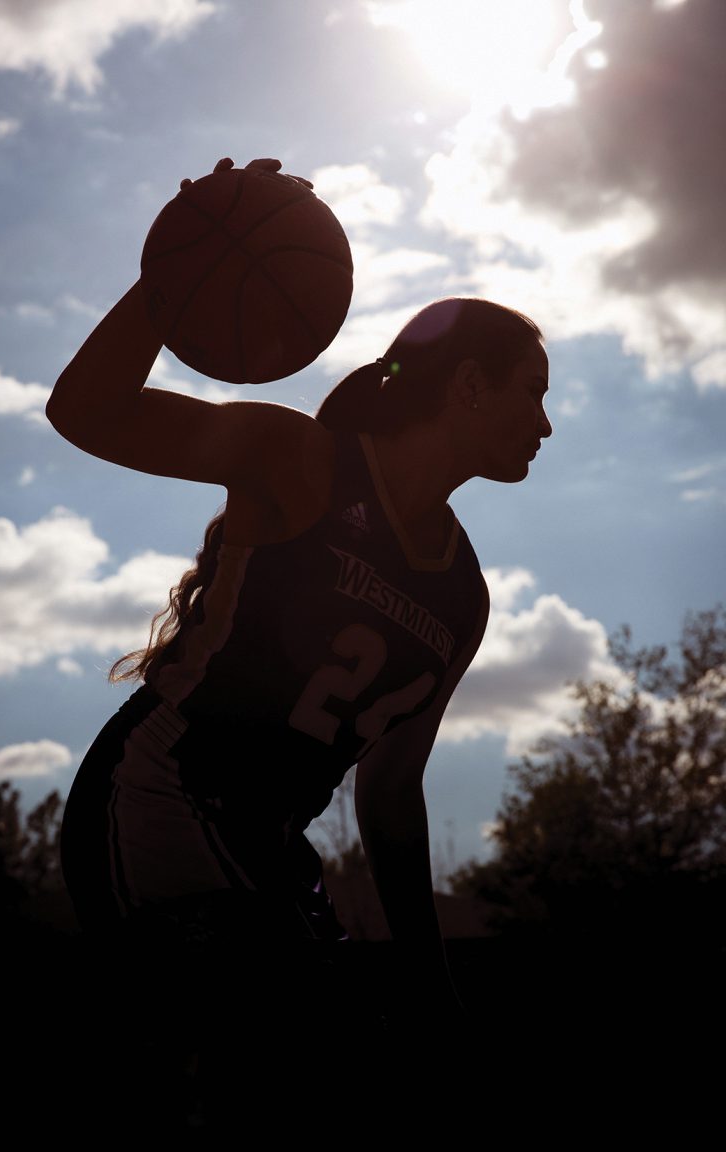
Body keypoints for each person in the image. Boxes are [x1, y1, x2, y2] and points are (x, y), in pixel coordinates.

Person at [47, 157, 551, 1126]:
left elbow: (392, 791)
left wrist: (429, 981)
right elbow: (84, 412)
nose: (547, 422)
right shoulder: (300, 460)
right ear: (470, 387)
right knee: (278, 1066)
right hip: (159, 794)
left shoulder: (462, 596)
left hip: (267, 857)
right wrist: (178, 275)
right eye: (532, 392)